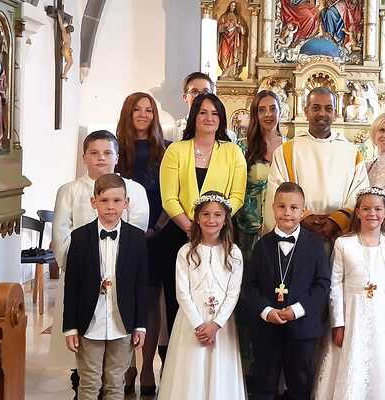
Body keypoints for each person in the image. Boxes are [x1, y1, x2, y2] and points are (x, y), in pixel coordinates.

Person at [50, 130, 149, 394]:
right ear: (84, 157)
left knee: (115, 380)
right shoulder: (70, 191)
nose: (101, 158)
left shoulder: (134, 192)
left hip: (121, 297)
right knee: (88, 378)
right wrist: (82, 270)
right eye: (94, 153)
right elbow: (61, 234)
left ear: (117, 156)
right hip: (84, 287)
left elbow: (137, 260)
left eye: (107, 152)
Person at [314, 187, 385, 399]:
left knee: (382, 370)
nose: (371, 213)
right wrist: (338, 323)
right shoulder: (343, 244)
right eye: (366, 209)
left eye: (377, 209)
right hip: (352, 318)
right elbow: (335, 285)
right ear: (357, 212)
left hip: (383, 321)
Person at [160, 92, 247, 338]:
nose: (209, 118)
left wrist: (214, 224)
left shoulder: (232, 152)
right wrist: (192, 227)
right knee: (180, 296)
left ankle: (216, 339)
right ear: (193, 116)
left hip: (220, 234)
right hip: (181, 232)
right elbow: (169, 198)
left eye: (215, 113)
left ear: (221, 119)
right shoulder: (176, 150)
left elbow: (237, 195)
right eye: (203, 112)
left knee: (220, 292)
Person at [243, 182, 331, 399]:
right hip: (266, 329)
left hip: (303, 329)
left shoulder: (316, 245)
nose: (287, 213)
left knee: (300, 386)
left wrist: (297, 310)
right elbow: (250, 286)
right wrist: (266, 311)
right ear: (273, 208)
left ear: (303, 211)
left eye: (294, 208)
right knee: (264, 386)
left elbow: (322, 285)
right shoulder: (261, 245)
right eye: (281, 206)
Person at [158, 191, 246, 400]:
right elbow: (182, 293)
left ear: (225, 219)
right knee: (191, 370)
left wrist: (216, 324)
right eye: (206, 214)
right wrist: (199, 325)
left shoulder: (234, 253)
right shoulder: (186, 251)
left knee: (219, 369)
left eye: (217, 215)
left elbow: (233, 293)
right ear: (197, 218)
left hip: (221, 325)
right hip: (191, 323)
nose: (211, 220)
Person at [114, 92, 170, 395]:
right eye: (137, 109)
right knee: (125, 299)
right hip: (123, 235)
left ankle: (147, 365)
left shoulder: (166, 150)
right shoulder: (116, 149)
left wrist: (156, 227)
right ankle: (127, 366)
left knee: (150, 302)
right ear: (128, 113)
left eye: (149, 110)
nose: (143, 114)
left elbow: (171, 193)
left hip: (157, 235)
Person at [264, 86, 369, 244]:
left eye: (328, 108)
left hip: (340, 234)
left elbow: (360, 194)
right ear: (306, 111)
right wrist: (303, 217)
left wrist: (336, 220)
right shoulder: (286, 151)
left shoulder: (352, 152)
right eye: (316, 108)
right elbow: (277, 193)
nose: (322, 113)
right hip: (297, 231)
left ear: (335, 113)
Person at [235, 90, 284, 260]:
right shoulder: (243, 147)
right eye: (262, 110)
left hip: (281, 224)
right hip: (250, 226)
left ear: (280, 111)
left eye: (273, 108)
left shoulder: (290, 147)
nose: (268, 114)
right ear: (255, 115)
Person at [167, 72, 237, 142]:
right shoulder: (171, 133)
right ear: (185, 97)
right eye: (194, 92)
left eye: (205, 92)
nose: (200, 96)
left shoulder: (230, 136)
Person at [218, 1, 247, 79]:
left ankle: (232, 73)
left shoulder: (238, 17)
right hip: (225, 39)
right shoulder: (223, 16)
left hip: (234, 40)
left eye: (234, 6)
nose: (233, 7)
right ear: (229, 6)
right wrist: (225, 25)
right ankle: (225, 72)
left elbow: (243, 31)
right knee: (224, 55)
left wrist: (238, 26)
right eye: (231, 5)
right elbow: (219, 29)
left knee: (234, 55)